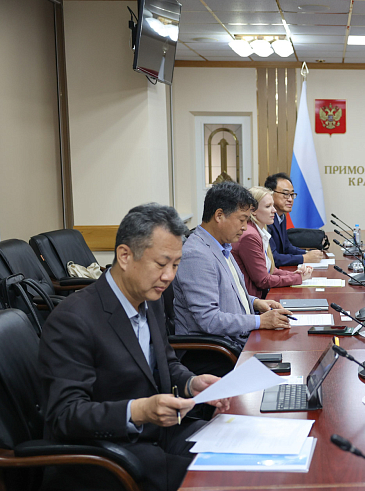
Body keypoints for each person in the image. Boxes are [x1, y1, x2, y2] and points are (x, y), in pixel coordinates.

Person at [38, 204, 229, 491]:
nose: (169, 276)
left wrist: (191, 383)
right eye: (161, 264)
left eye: (176, 265)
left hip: (162, 434)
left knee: (241, 455)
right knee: (221, 480)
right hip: (109, 454)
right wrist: (138, 411)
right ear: (125, 256)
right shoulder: (73, 319)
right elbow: (65, 415)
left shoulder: (150, 299)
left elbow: (165, 363)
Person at [173, 181, 293, 353]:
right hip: (214, 352)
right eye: (242, 220)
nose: (244, 227)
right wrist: (260, 321)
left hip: (235, 340)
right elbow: (209, 320)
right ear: (219, 215)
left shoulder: (222, 246)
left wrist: (256, 302)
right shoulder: (196, 255)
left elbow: (228, 294)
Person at [233, 186, 313, 298]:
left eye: (273, 206)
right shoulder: (250, 236)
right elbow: (263, 280)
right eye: (268, 206)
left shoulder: (259, 230)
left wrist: (294, 274)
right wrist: (296, 278)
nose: (274, 210)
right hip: (254, 301)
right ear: (253, 211)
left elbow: (270, 269)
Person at [265, 172, 326, 266]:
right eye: (285, 194)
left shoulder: (281, 217)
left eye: (292, 194)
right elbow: (273, 258)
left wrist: (308, 253)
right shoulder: (266, 220)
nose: (290, 199)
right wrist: (304, 258)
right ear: (271, 194)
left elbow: (286, 247)